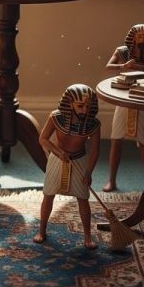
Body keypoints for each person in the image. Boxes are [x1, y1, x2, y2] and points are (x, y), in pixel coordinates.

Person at [35, 84, 101, 248]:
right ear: (69, 104)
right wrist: (57, 152)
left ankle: (87, 236)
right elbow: (43, 139)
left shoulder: (93, 124)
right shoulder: (56, 118)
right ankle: (41, 230)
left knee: (83, 199)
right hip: (58, 159)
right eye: (80, 106)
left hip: (79, 160)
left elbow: (95, 151)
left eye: (87, 106)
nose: (84, 110)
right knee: (48, 195)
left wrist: (89, 172)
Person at [104, 23, 144, 192]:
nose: (142, 39)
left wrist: (141, 67)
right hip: (124, 97)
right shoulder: (122, 52)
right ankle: (111, 180)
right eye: (139, 36)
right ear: (133, 37)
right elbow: (108, 67)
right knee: (116, 141)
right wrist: (124, 66)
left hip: (142, 98)